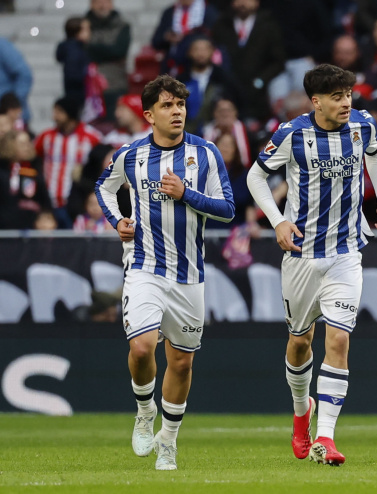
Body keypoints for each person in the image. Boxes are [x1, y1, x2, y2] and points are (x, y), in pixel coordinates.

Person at [246, 64, 377, 466]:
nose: (346, 103)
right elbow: (255, 177)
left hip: (346, 252)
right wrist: (278, 221)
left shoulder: (363, 125)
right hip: (302, 254)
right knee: (299, 341)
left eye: (348, 95)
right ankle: (301, 412)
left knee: (339, 339)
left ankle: (326, 437)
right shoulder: (292, 134)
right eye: (336, 97)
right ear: (316, 101)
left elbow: (376, 156)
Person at [94, 74, 235, 470]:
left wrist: (186, 194)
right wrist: (118, 220)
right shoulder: (131, 155)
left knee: (182, 362)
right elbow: (104, 187)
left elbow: (228, 209)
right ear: (149, 115)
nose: (177, 112)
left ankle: (168, 441)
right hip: (144, 267)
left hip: (189, 274)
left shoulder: (205, 153)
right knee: (141, 348)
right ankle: (144, 411)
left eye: (181, 105)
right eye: (168, 105)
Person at [34, 96, 103, 228]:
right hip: (49, 202)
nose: (54, 116)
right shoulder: (46, 137)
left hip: (78, 202)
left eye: (59, 112)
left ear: (70, 113)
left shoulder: (92, 137)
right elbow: (32, 158)